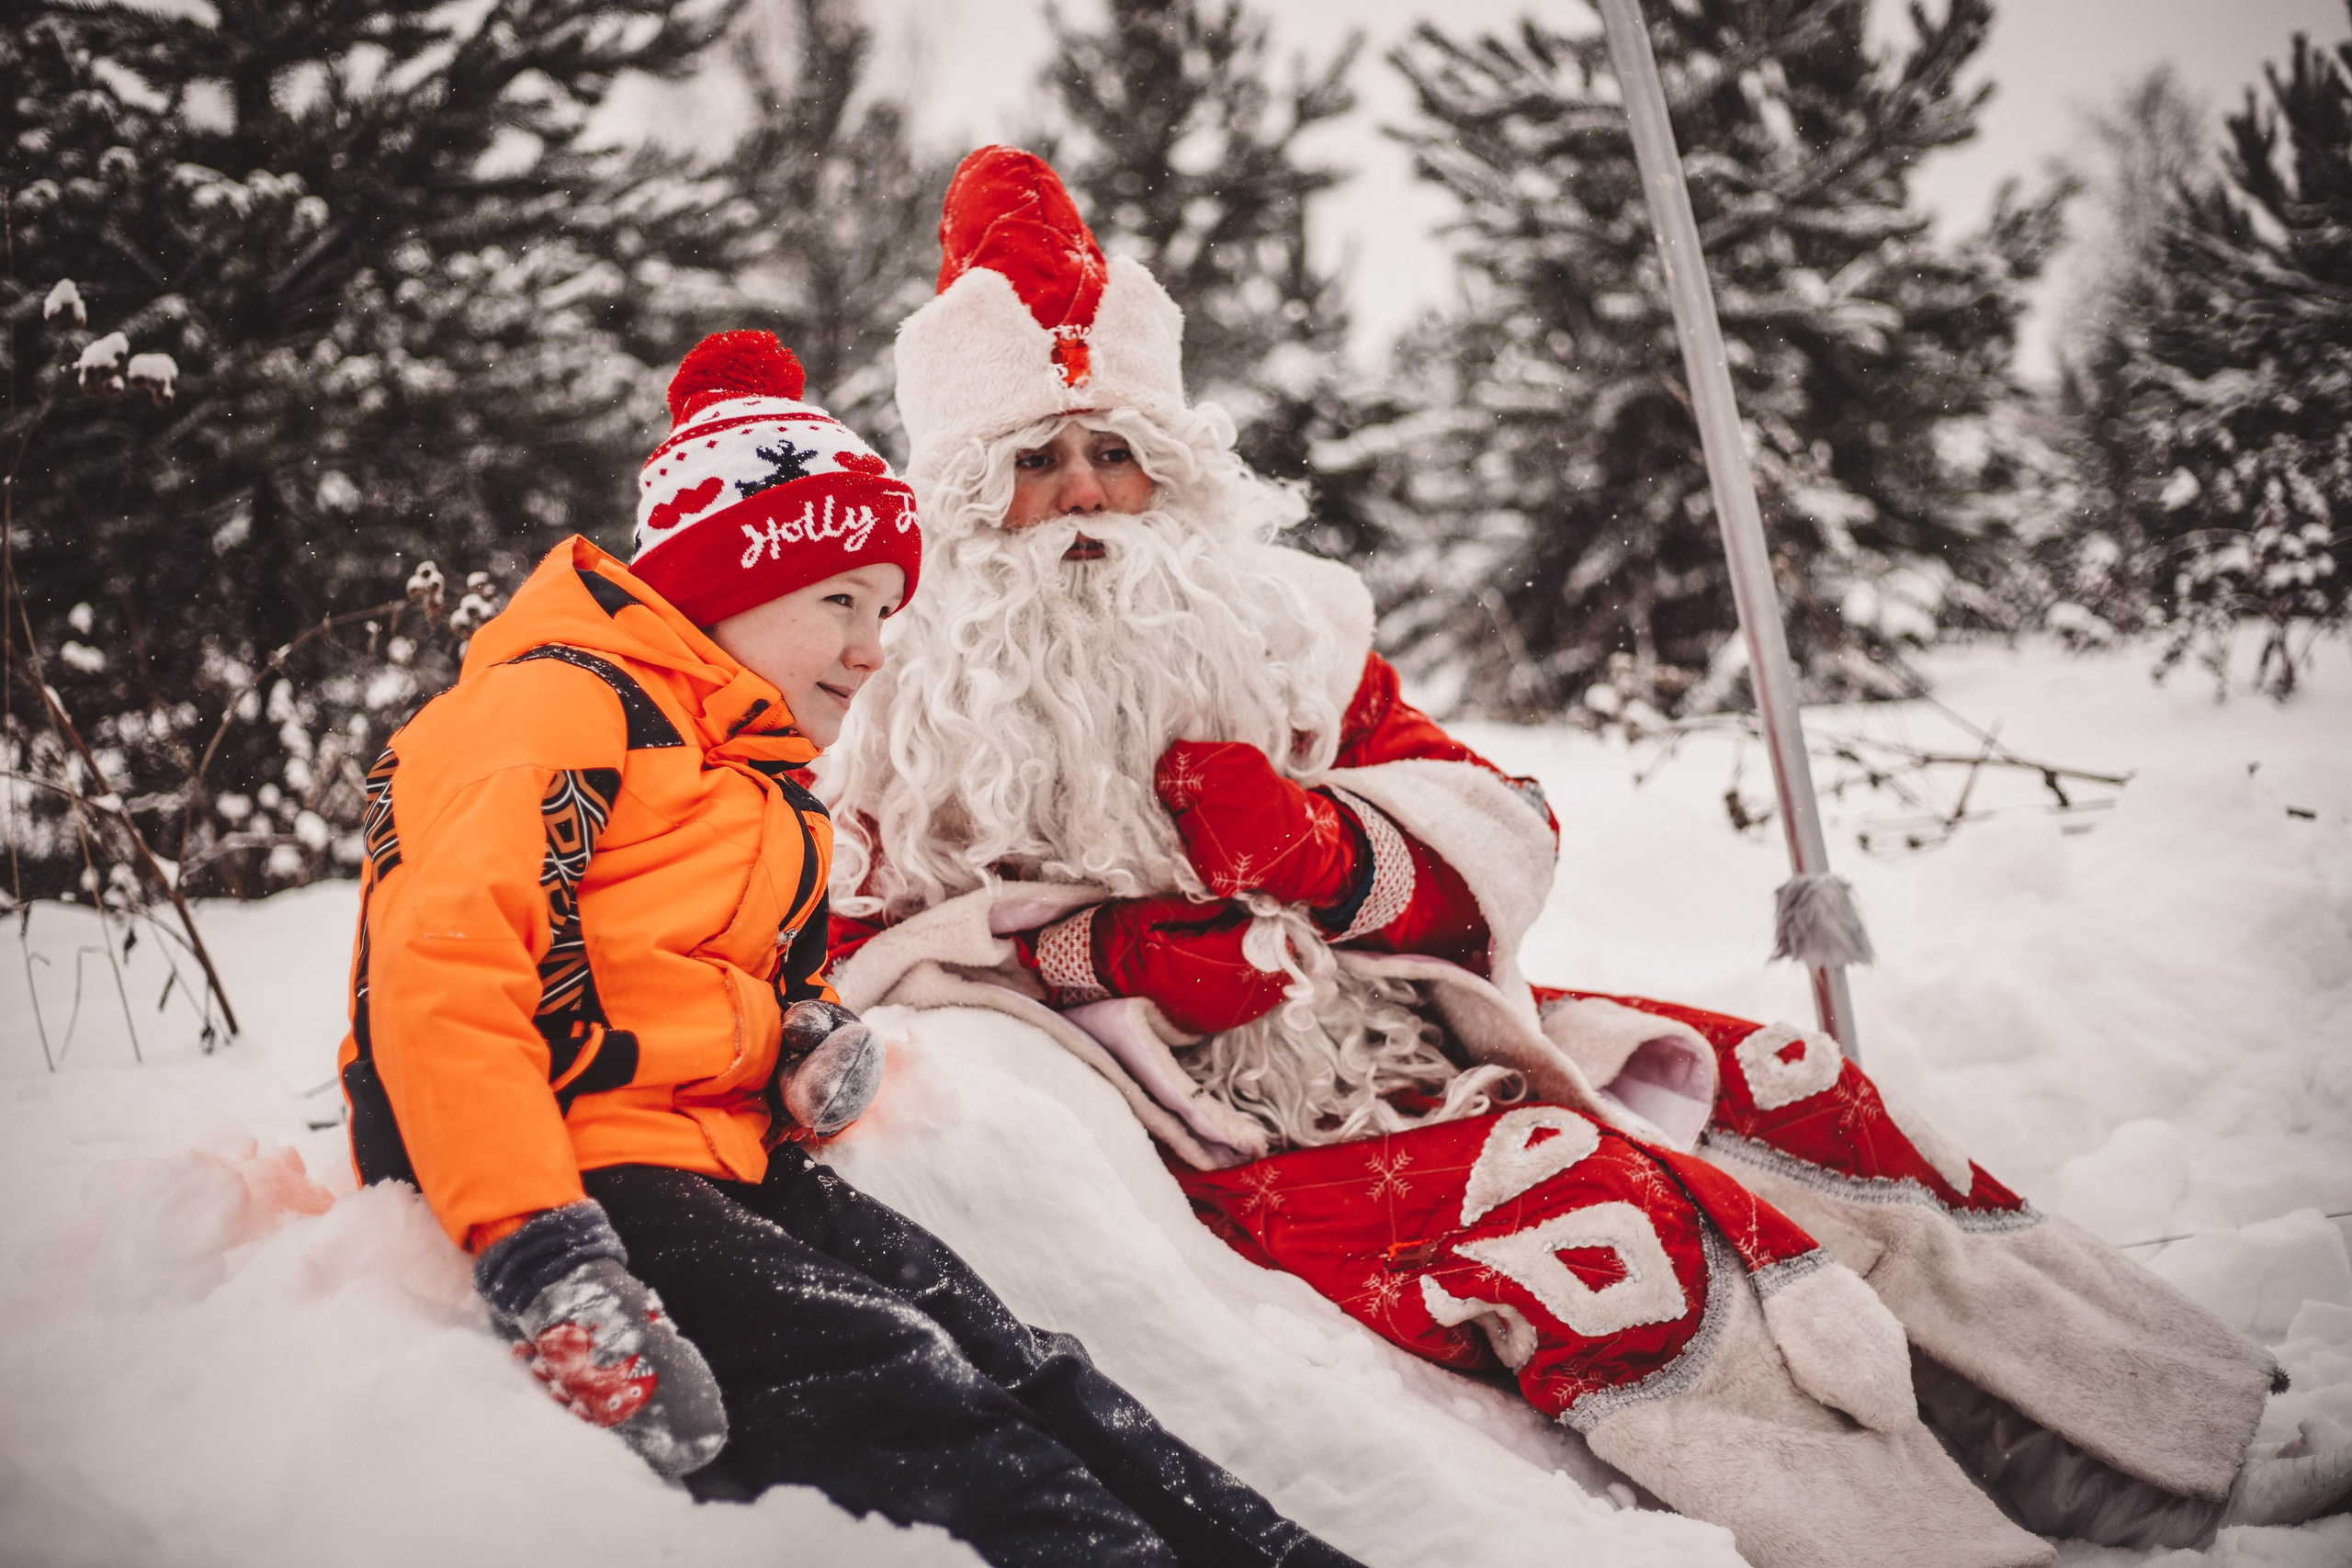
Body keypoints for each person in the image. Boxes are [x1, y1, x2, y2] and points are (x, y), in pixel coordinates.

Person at [819, 147, 2352, 1567]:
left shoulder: (1277, 636)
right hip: (1213, 1141)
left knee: (1791, 1092)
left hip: (1393, 1042)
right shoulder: (886, 714)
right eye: (1034, 463)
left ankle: (2177, 1430)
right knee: (1605, 1219)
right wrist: (1114, 960)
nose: (1084, 495)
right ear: (959, 502)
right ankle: (1947, 1540)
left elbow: (1492, 818)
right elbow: (852, 949)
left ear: (1175, 475)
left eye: (1114, 453)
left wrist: (1330, 849)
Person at [334, 327, 1361, 1568]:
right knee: (916, 1399)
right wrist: (547, 1258)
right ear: (726, 585)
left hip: (736, 1166)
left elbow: (712, 964)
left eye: (885, 610)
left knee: (1021, 1361)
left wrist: (801, 1033)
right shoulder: (551, 708)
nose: (875, 648)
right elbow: (442, 985)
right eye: (844, 603)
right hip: (586, 1177)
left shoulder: (751, 772)